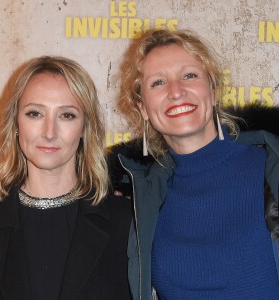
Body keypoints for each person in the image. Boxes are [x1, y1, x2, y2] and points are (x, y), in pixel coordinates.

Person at [112, 28, 279, 299]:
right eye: (158, 83)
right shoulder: (136, 197)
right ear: (142, 107)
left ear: (213, 91)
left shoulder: (270, 164)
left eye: (189, 75)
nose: (176, 92)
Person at [0, 56, 132, 300]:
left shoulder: (126, 221)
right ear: (16, 122)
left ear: (84, 127)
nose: (49, 133)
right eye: (35, 113)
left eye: (67, 115)